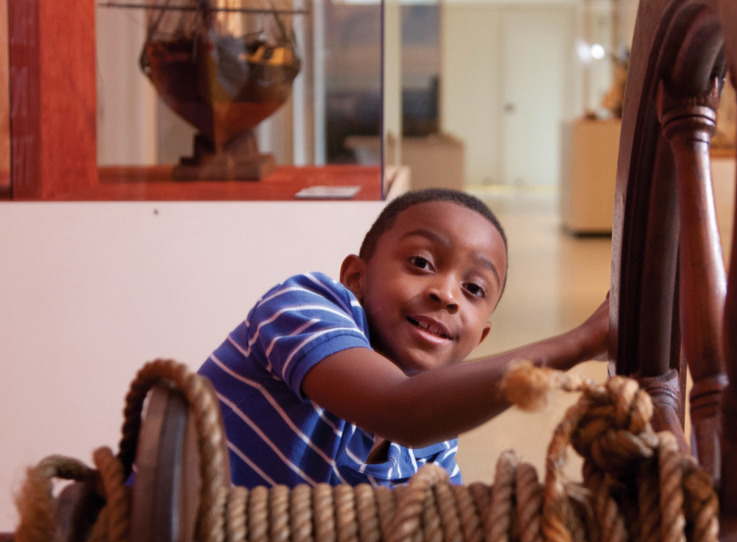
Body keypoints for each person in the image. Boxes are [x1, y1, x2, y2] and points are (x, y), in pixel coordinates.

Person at [198, 187, 610, 489]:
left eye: (474, 289)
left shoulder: (435, 440)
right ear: (356, 278)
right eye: (421, 262)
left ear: (479, 339)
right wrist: (581, 342)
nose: (446, 294)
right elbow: (399, 410)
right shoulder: (299, 307)